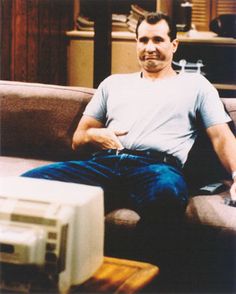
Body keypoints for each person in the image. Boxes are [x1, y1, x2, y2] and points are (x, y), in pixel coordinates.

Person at [22, 12, 236, 226]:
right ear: (136, 43)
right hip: (104, 164)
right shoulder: (113, 84)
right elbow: (78, 139)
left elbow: (222, 138)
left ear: (174, 45)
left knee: (167, 192)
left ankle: (147, 259)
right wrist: (97, 135)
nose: (149, 48)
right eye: (143, 40)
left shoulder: (196, 85)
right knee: (30, 183)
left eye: (158, 40)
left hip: (156, 168)